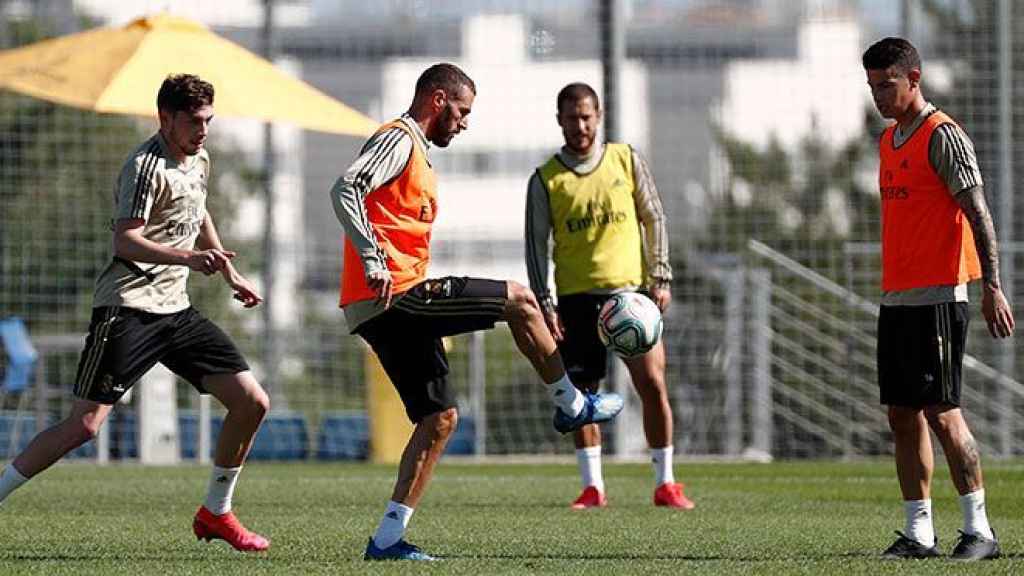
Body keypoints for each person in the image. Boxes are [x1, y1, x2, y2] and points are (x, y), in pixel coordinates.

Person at [330, 63, 625, 562]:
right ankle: (572, 404)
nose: (465, 123)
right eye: (462, 111)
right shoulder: (399, 139)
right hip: (396, 295)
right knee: (521, 299)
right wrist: (374, 260)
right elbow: (346, 188)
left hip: (377, 307)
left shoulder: (417, 154)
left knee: (440, 418)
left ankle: (386, 540)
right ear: (439, 101)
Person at [0, 74, 271, 552]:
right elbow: (125, 239)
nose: (203, 130)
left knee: (252, 402)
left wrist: (229, 272)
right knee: (83, 426)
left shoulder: (200, 158)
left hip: (177, 311)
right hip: (128, 309)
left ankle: (216, 512)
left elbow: (198, 209)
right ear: (165, 118)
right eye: (193, 121)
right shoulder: (145, 166)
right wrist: (189, 258)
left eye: (208, 119)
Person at [863, 37, 1014, 561]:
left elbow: (979, 212)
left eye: (888, 85)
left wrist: (991, 284)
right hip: (897, 300)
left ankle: (980, 531)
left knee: (943, 412)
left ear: (914, 79)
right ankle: (919, 532)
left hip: (939, 299)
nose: (880, 96)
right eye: (873, 87)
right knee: (901, 415)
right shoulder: (889, 141)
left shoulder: (942, 136)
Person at [525, 82, 693, 510]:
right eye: (571, 117)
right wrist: (546, 305)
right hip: (577, 298)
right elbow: (535, 246)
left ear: (598, 117)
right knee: (582, 394)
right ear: (559, 120)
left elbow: (654, 216)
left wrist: (661, 276)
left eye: (586, 116)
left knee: (653, 383)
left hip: (631, 296)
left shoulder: (625, 159)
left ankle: (666, 482)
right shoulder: (547, 179)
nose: (579, 125)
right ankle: (593, 486)